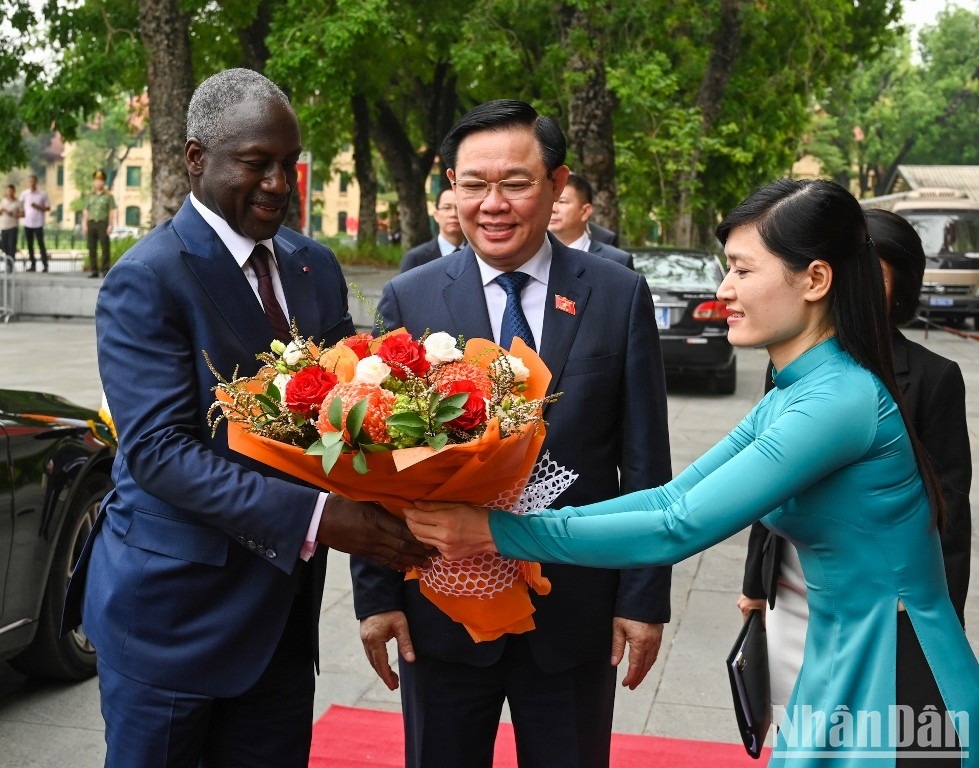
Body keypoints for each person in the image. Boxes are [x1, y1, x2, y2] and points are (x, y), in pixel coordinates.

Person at [405, 178, 979, 766]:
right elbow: (671, 497)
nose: (724, 290)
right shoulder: (800, 387)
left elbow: (678, 525)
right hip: (842, 651)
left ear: (815, 280)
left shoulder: (837, 399)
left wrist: (496, 533)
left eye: (742, 270)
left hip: (898, 668)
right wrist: (502, 523)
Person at [61, 68, 431, 768]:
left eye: (290, 165)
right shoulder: (148, 277)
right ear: (196, 159)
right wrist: (320, 519)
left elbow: (347, 416)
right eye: (257, 164)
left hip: (281, 626)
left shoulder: (312, 267)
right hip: (173, 620)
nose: (277, 183)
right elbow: (161, 453)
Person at [351, 99, 672, 768]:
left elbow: (644, 462)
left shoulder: (616, 294)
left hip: (574, 610)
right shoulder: (410, 297)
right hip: (442, 611)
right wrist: (377, 596)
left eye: (515, 182)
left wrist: (643, 598)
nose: (491, 204)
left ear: (556, 186)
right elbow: (373, 462)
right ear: (451, 187)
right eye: (473, 184)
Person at [738, 206, 973, 725]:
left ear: (900, 288)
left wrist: (939, 621)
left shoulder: (934, 377)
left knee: (871, 731)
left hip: (882, 602)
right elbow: (759, 482)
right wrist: (755, 583)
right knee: (797, 718)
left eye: (875, 275)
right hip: (794, 585)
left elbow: (949, 505)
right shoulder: (791, 366)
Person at [548, 172, 633, 269]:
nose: (552, 208)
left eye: (562, 202)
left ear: (585, 211)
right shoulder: (531, 257)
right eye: (549, 201)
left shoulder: (617, 261)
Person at [398, 186, 464, 272]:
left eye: (459, 208)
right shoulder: (416, 258)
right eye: (447, 208)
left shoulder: (478, 255)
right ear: (436, 215)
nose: (453, 214)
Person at [82, 168, 117, 278]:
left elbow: (112, 211)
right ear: (94, 181)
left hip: (103, 223)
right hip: (91, 223)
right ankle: (94, 270)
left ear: (104, 182)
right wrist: (84, 223)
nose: (98, 182)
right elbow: (86, 211)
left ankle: (105, 269)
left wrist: (111, 225)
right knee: (91, 248)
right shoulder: (89, 195)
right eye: (96, 180)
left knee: (105, 247)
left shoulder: (108, 196)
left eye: (101, 180)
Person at [19, 174, 51, 272]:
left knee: (41, 244)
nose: (31, 183)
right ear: (28, 183)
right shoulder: (24, 194)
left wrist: (38, 207)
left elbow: (48, 207)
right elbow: (20, 205)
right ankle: (33, 265)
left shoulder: (42, 194)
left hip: (38, 223)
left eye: (33, 181)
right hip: (28, 223)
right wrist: (21, 213)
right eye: (30, 181)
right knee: (30, 245)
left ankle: (45, 265)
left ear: (36, 182)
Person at [0, 183, 22, 271]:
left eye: (11, 191)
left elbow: (22, 214)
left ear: (14, 191)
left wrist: (12, 213)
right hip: (3, 227)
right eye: (8, 191)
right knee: (4, 245)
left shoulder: (18, 202)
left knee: (11, 245)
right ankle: (9, 259)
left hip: (13, 227)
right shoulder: (3, 201)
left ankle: (10, 265)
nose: (9, 192)